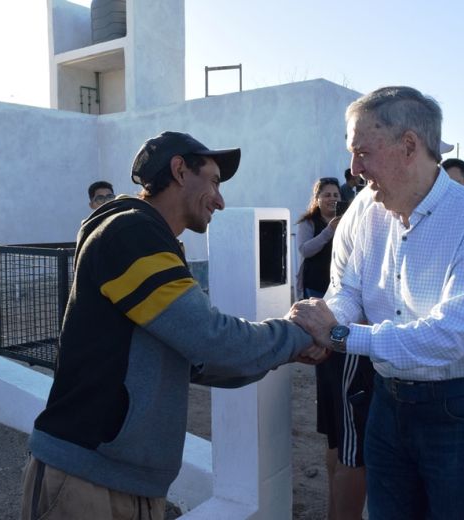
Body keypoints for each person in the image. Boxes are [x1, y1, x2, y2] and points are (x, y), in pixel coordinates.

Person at [21, 131, 328, 520]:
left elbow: (195, 358)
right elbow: (211, 340)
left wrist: (287, 350)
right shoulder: (131, 234)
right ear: (180, 170)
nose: (220, 199)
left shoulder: (153, 240)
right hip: (86, 478)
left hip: (125, 480)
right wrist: (301, 330)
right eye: (214, 181)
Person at [290, 86, 464, 520]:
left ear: (408, 145)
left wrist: (336, 334)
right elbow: (348, 290)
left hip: (463, 410)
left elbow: (451, 336)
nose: (354, 170)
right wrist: (320, 319)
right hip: (387, 403)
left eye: (363, 153)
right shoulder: (362, 212)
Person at [297, 177, 374, 520]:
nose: (332, 198)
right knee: (344, 442)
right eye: (326, 195)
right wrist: (325, 331)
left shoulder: (367, 219)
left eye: (335, 195)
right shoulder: (313, 225)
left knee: (347, 442)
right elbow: (307, 253)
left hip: (337, 328)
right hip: (331, 322)